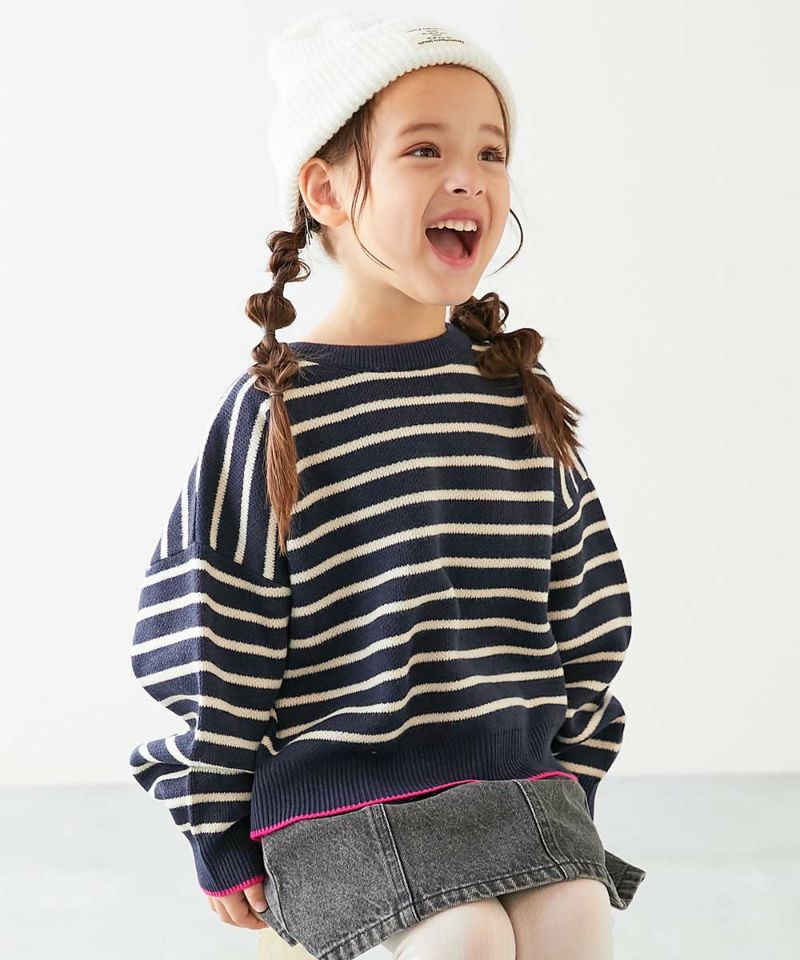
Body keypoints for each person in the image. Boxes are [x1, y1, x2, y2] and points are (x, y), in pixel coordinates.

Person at [128, 11, 646, 960]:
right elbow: (216, 637)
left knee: (577, 910)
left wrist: (573, 772)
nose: (470, 177)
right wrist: (214, 827)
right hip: (338, 798)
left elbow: (585, 606)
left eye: (491, 153)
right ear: (325, 191)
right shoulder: (278, 412)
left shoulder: (512, 396)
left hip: (514, 781)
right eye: (424, 149)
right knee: (463, 939)